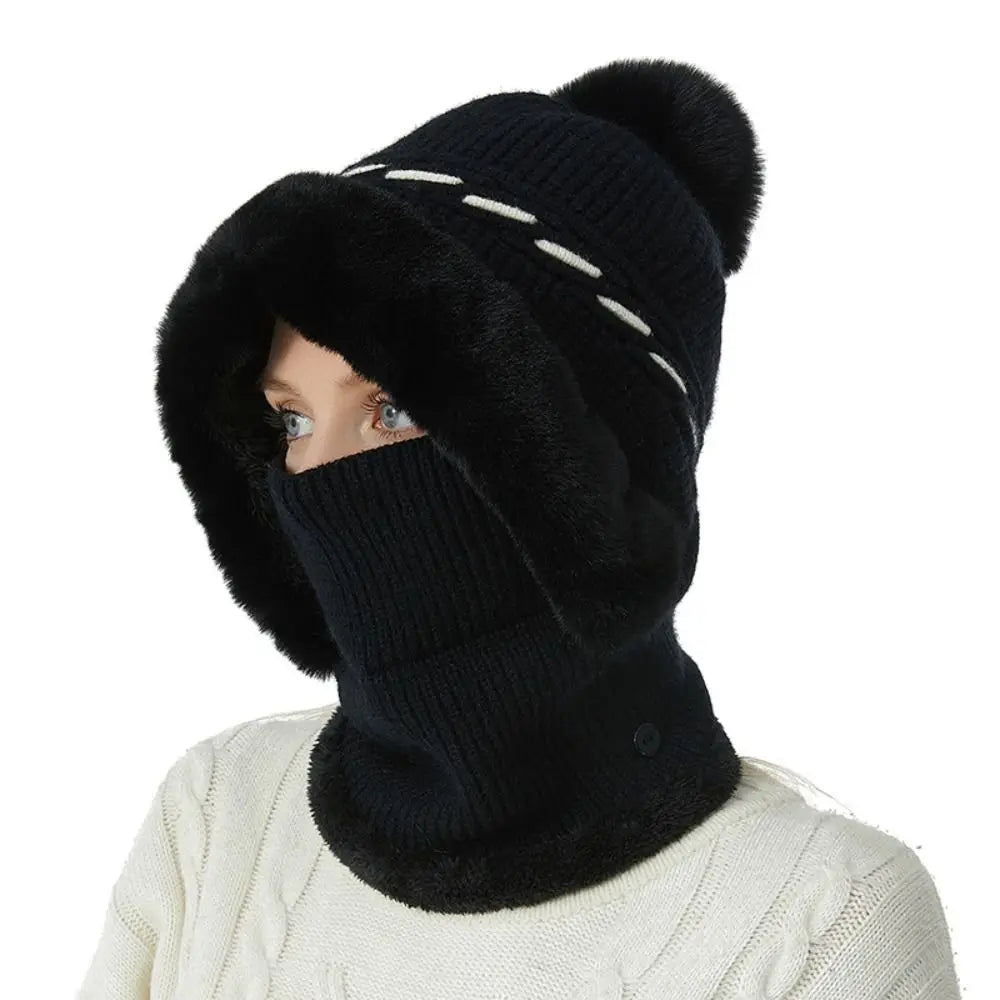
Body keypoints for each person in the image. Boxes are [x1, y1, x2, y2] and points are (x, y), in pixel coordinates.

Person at [77, 57, 961, 999]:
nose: (322, 475)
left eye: (392, 409)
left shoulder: (823, 921)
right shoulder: (219, 819)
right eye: (291, 419)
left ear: (581, 473)